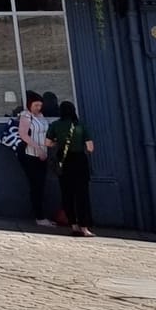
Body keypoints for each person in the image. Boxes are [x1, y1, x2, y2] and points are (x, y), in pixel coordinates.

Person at [48, 99, 95, 235]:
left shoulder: (56, 125)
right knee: (82, 195)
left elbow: (48, 143)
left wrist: (59, 142)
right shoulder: (80, 126)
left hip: (64, 161)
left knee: (67, 194)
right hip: (79, 161)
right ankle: (84, 228)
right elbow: (90, 147)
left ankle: (73, 225)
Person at [12, 91, 55, 226]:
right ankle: (39, 216)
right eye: (36, 105)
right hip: (30, 154)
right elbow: (23, 134)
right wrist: (38, 148)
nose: (38, 108)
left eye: (40, 105)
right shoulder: (26, 116)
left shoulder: (41, 116)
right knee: (36, 185)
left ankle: (42, 215)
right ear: (29, 104)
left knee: (41, 184)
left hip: (43, 153)